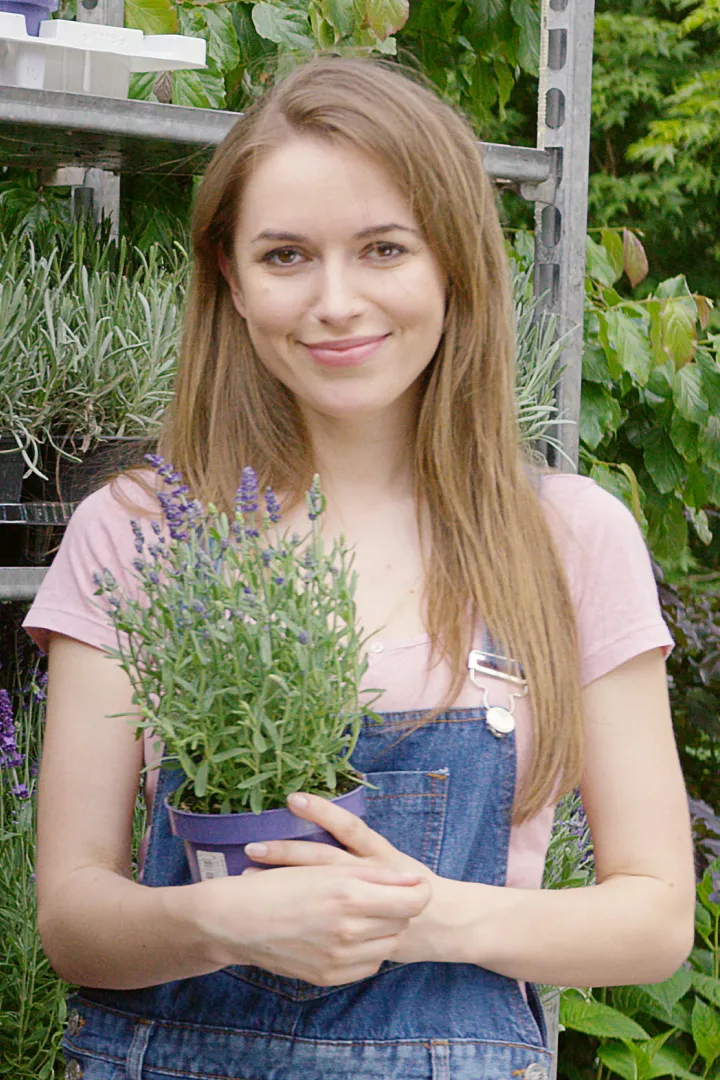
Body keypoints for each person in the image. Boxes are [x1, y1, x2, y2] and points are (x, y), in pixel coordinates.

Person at [25, 55, 694, 1080]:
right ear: (231, 284)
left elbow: (653, 918)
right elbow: (73, 919)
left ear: (453, 268)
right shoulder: (140, 533)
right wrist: (223, 920)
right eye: (286, 255)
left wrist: (419, 917)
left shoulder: (566, 538)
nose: (336, 301)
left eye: (384, 248)